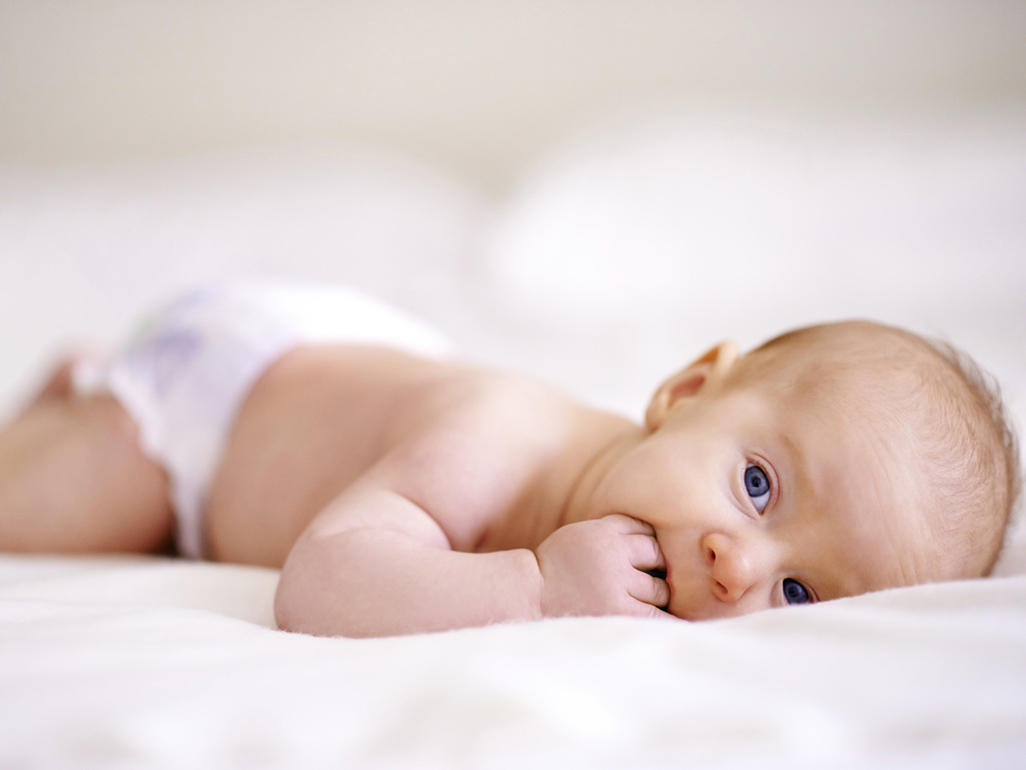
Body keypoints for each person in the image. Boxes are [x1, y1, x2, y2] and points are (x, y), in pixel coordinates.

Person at [0, 283, 1019, 637]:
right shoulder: (498, 438)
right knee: (43, 506)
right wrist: (532, 587)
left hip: (351, 375)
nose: (738, 566)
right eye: (756, 485)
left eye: (800, 591)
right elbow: (320, 577)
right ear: (688, 392)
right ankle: (86, 396)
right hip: (221, 400)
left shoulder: (683, 556)